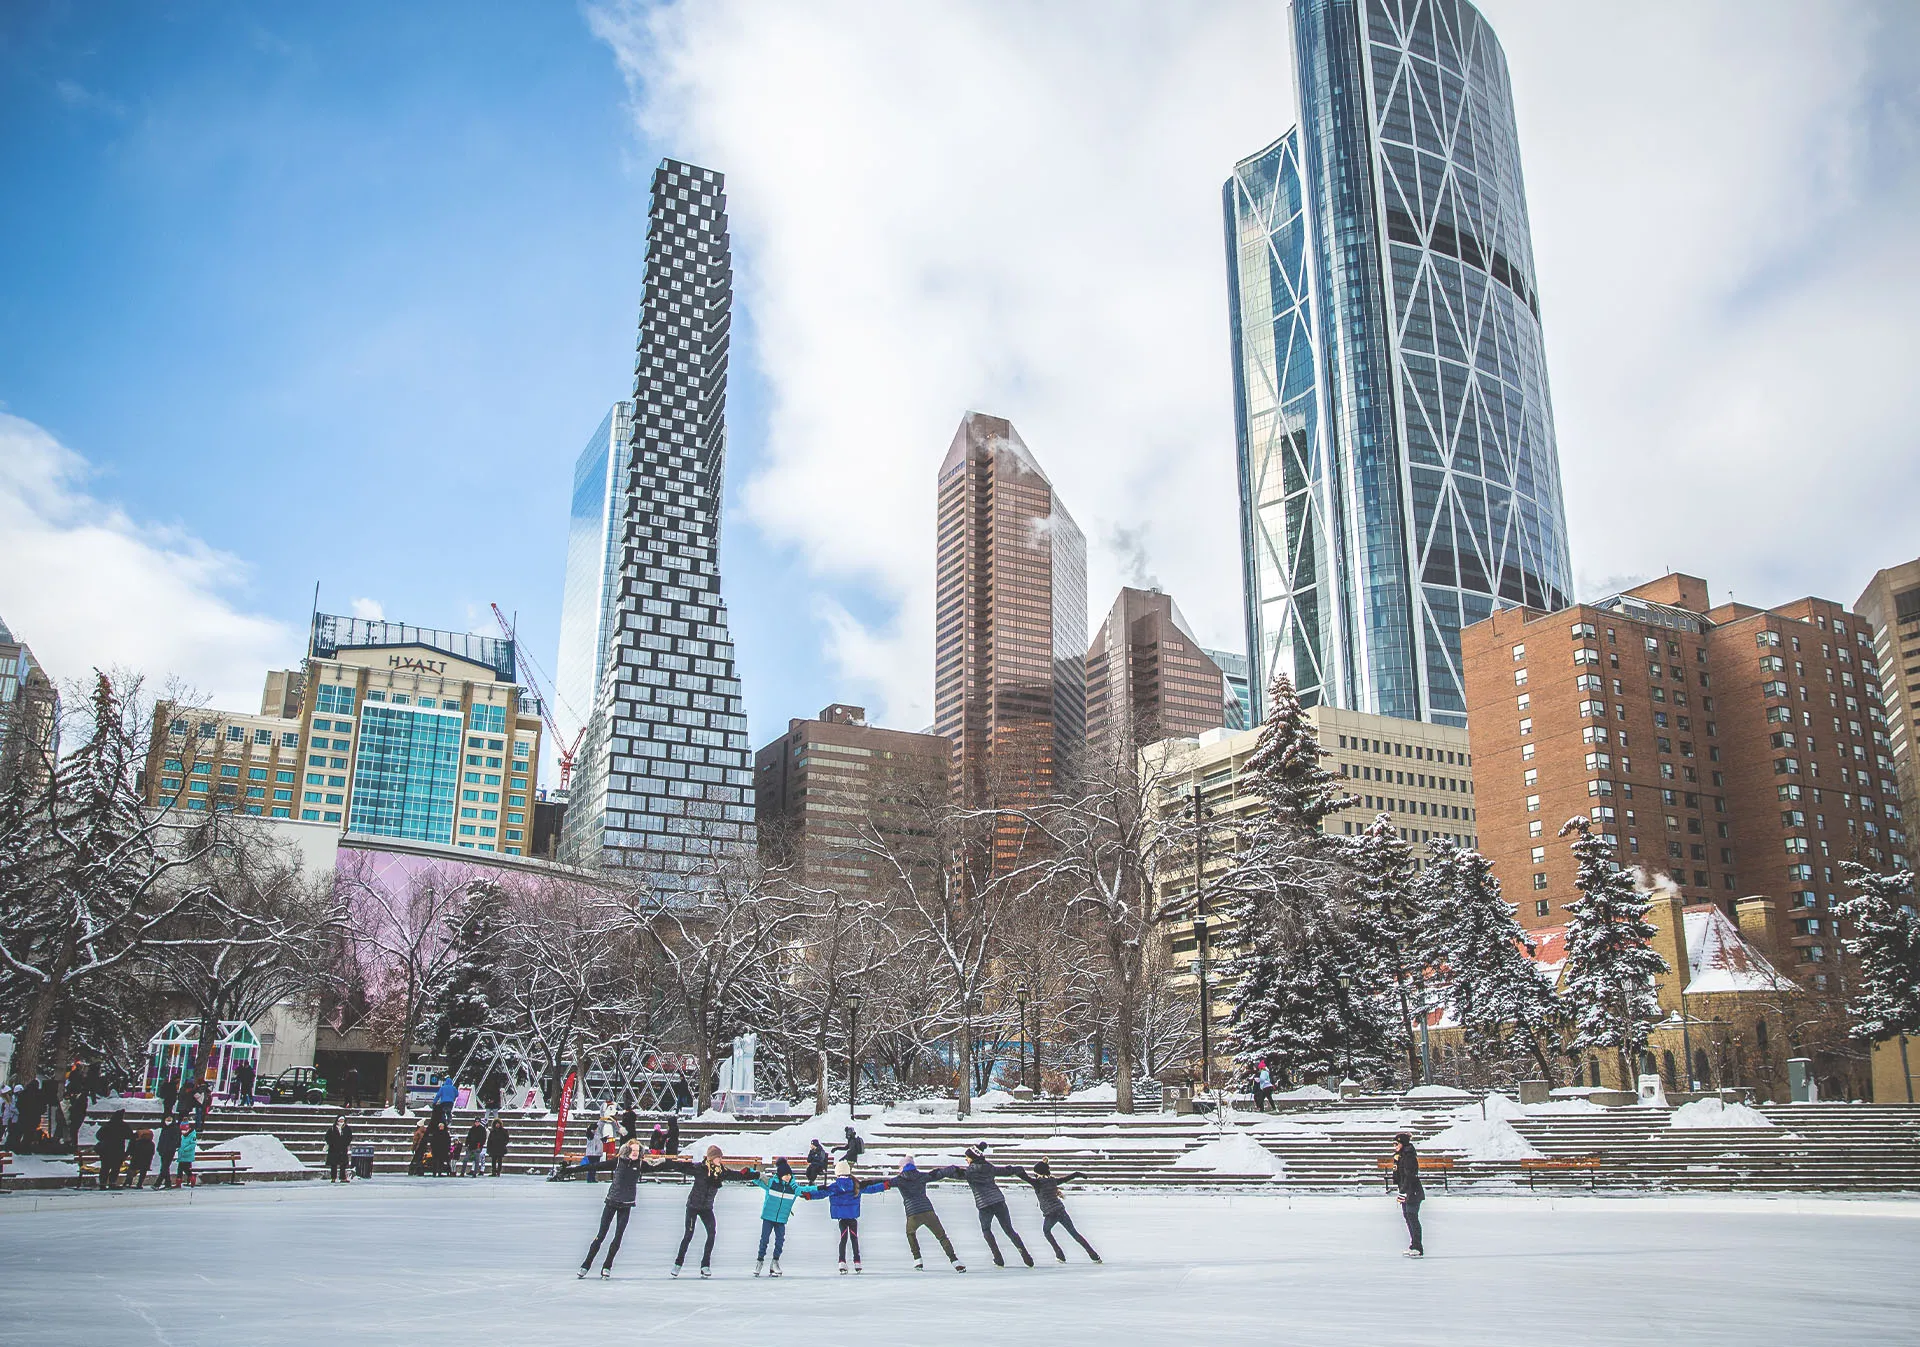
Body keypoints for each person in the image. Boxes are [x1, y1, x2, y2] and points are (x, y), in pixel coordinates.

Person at [649, 1144, 759, 1278]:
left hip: (707, 1208)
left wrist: (754, 1175)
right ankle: (678, 1264)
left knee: (711, 1234)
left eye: (720, 1157)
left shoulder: (722, 1172)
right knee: (688, 1235)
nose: (720, 1159)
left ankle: (705, 1265)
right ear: (711, 1158)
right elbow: (681, 1166)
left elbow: (737, 1176)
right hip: (693, 1206)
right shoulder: (700, 1169)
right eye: (717, 1157)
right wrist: (665, 1161)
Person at [802, 1159, 890, 1274]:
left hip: (842, 1217)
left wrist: (809, 1195)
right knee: (854, 1238)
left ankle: (842, 1262)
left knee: (843, 1238)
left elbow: (821, 1193)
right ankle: (857, 1262)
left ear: (837, 1173)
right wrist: (884, 1186)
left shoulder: (835, 1186)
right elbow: (871, 1189)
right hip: (852, 1216)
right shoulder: (856, 1184)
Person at [955, 1144, 1033, 1268]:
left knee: (986, 1230)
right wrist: (1020, 1172)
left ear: (973, 1158)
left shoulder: (969, 1172)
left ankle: (998, 1257)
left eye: (967, 1157)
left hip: (984, 1205)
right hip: (998, 1201)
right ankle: (1026, 1256)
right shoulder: (990, 1168)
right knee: (1009, 1230)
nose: (966, 1159)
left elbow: (954, 1174)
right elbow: (1009, 1171)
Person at [884, 1157, 966, 1272]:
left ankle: (917, 1260)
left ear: (902, 1167)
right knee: (942, 1237)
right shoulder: (921, 1176)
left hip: (913, 1214)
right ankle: (955, 1261)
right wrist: (954, 1168)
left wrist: (862, 1185)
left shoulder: (899, 1179)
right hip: (928, 1211)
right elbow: (940, 1173)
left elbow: (880, 1183)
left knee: (910, 1233)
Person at [579, 1139, 644, 1279]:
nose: (635, 1153)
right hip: (612, 1202)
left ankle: (607, 1266)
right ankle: (586, 1264)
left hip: (626, 1204)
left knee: (618, 1236)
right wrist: (571, 1170)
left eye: (637, 1151)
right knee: (601, 1234)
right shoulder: (618, 1162)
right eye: (633, 1151)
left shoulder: (640, 1164)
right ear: (627, 1151)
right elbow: (595, 1166)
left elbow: (663, 1165)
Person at [1014, 1161, 1101, 1262]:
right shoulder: (1053, 1180)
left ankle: (1059, 1254)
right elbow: (1066, 1179)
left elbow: (1025, 1178)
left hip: (1051, 1214)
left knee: (1046, 1231)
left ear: (1039, 1173)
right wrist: (1078, 1174)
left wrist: (1017, 1170)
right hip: (1060, 1210)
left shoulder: (1038, 1183)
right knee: (1074, 1233)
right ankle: (1094, 1255)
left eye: (1035, 1173)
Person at [752, 1156, 811, 1276]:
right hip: (768, 1217)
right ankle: (759, 1261)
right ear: (780, 1175)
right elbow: (758, 1178)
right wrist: (748, 1172)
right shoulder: (772, 1183)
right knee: (764, 1240)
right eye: (785, 1175)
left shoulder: (793, 1188)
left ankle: (775, 1262)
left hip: (781, 1219)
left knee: (780, 1240)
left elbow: (806, 1189)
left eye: (789, 1174)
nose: (788, 1177)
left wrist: (814, 1191)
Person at [1390, 1131, 1425, 1257]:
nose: (1394, 1146)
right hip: (1406, 1191)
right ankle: (1413, 1245)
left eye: (1396, 1143)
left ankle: (1417, 1246)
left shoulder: (1408, 1156)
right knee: (1407, 1217)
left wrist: (1404, 1191)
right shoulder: (1400, 1156)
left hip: (1412, 1192)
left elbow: (1409, 1176)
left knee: (1412, 1217)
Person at [94, 1109, 132, 1190]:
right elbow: (130, 1135)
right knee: (115, 1168)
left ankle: (102, 1184)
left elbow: (98, 1136)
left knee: (105, 1168)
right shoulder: (123, 1125)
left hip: (106, 1150)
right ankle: (112, 1183)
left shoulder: (107, 1125)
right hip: (118, 1150)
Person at [63, 1058, 90, 1147]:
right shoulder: (80, 1078)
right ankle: (72, 1144)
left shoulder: (73, 1078)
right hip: (77, 1111)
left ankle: (72, 1143)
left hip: (75, 1111)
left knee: (73, 1129)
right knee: (74, 1129)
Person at [325, 1113, 354, 1183]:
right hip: (334, 1149)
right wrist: (332, 1143)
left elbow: (349, 1137)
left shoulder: (347, 1128)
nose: (341, 1122)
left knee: (343, 1164)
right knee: (333, 1164)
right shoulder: (332, 1128)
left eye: (342, 1120)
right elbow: (327, 1137)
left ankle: (342, 1177)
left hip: (343, 1148)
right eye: (340, 1120)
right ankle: (333, 1177)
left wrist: (346, 1143)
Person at [156, 1116, 182, 1190]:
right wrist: (159, 1149)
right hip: (163, 1150)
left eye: (169, 1120)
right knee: (165, 1168)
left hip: (169, 1151)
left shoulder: (175, 1129)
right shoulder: (165, 1128)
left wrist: (171, 1148)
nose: (168, 1121)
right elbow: (161, 1139)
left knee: (164, 1167)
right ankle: (168, 1183)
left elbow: (176, 1141)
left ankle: (157, 1183)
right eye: (167, 1120)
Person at [175, 1122, 199, 1188]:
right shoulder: (183, 1136)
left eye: (185, 1130)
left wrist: (185, 1149)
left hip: (187, 1155)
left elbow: (193, 1144)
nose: (183, 1132)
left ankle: (191, 1177)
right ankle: (179, 1182)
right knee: (180, 1169)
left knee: (185, 1168)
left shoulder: (192, 1135)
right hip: (182, 1155)